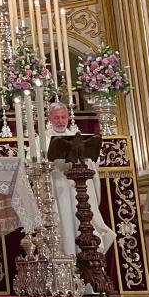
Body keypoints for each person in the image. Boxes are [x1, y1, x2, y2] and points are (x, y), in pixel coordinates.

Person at [45, 103, 116, 264]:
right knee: (64, 228)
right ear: (49, 118)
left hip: (80, 190)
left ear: (68, 118)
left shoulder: (80, 138)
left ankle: (89, 266)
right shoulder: (42, 140)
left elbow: (92, 161)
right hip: (59, 191)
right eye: (56, 117)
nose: (61, 121)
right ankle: (66, 266)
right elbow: (37, 165)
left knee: (83, 224)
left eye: (63, 117)